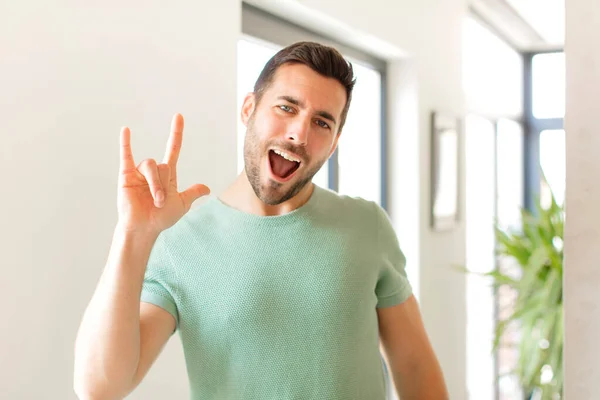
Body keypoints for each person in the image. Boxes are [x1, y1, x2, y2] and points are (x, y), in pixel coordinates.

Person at [74, 41, 448, 400]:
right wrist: (132, 234)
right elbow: (100, 388)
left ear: (333, 144)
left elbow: (414, 367)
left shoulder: (367, 225)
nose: (299, 133)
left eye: (321, 122)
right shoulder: (181, 241)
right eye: (287, 107)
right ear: (249, 108)